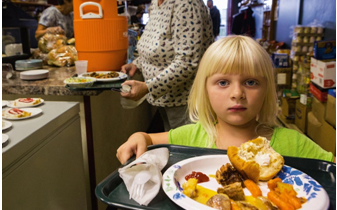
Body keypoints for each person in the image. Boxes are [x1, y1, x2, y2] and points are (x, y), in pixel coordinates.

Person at [117, 35, 335, 164]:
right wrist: (139, 137)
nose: (237, 93)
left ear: (267, 91)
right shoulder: (192, 136)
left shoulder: (294, 143)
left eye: (251, 82)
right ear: (205, 91)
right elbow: (148, 139)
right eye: (223, 82)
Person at [120, 0, 214, 131]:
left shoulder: (187, 4)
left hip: (186, 100)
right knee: (173, 143)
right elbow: (157, 45)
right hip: (166, 98)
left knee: (186, 147)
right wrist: (137, 64)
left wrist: (148, 87)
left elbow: (187, 62)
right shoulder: (156, 3)